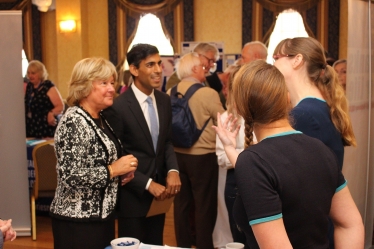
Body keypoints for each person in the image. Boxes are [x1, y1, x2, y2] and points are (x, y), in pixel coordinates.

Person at [213, 60, 364, 249]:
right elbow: (349, 224)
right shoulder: (320, 149)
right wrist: (229, 147)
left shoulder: (255, 161)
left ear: (242, 108)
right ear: (287, 98)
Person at [273, 38, 356, 248]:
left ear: (297, 60)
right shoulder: (314, 108)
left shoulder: (305, 114)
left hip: (307, 231)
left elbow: (290, 182)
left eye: (276, 57)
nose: (272, 63)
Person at [49, 57, 138, 249]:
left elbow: (100, 162)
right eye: (103, 83)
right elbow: (70, 175)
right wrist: (112, 171)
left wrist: (121, 172)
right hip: (77, 222)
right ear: (84, 86)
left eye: (112, 83)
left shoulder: (102, 118)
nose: (111, 89)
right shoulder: (73, 121)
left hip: (101, 217)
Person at [104, 44, 181, 245]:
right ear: (134, 70)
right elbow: (116, 158)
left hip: (159, 197)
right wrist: (147, 184)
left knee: (155, 244)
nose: (158, 70)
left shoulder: (164, 100)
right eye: (150, 65)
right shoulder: (118, 107)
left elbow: (166, 141)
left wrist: (173, 170)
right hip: (132, 195)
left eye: (159, 63)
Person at [167, 52, 225, 249]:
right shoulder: (208, 93)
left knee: (181, 205)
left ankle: (182, 245)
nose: (205, 69)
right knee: (204, 205)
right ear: (193, 69)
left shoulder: (170, 92)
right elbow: (223, 122)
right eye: (202, 67)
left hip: (176, 155)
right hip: (203, 157)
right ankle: (204, 246)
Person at [214, 64, 249, 248]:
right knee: (238, 234)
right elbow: (221, 158)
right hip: (235, 182)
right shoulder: (227, 118)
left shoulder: (261, 116)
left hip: (260, 182)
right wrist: (249, 154)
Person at [24, 60, 64, 138]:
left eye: (33, 73)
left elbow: (60, 106)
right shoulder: (29, 86)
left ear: (40, 73)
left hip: (46, 128)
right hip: (31, 127)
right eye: (28, 73)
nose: (30, 76)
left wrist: (51, 113)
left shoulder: (48, 85)